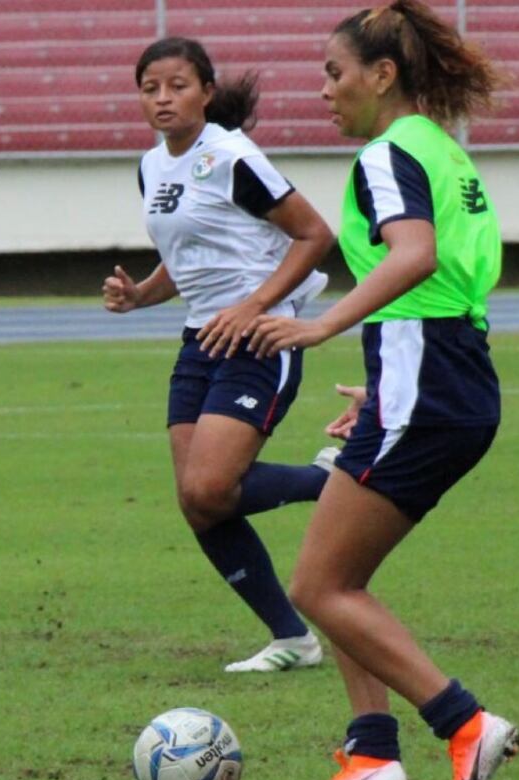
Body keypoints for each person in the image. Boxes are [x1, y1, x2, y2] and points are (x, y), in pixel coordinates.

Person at [242, 1, 519, 780]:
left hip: (426, 379)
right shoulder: (440, 148)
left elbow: (415, 256)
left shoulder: (385, 153)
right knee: (338, 578)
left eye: (335, 73)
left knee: (319, 584)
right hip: (441, 373)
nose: (324, 91)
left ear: (382, 74)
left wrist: (322, 325)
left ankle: (466, 723)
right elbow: (450, 279)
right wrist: (385, 382)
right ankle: (370, 754)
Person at [103, 37, 336, 673]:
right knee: (198, 502)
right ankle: (292, 638)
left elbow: (314, 235)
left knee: (210, 486)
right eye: (150, 88)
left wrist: (255, 305)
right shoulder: (152, 166)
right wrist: (140, 294)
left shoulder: (233, 157)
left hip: (260, 338)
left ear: (206, 92)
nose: (162, 98)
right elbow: (188, 257)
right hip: (200, 340)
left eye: (177, 86)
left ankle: (332, 480)